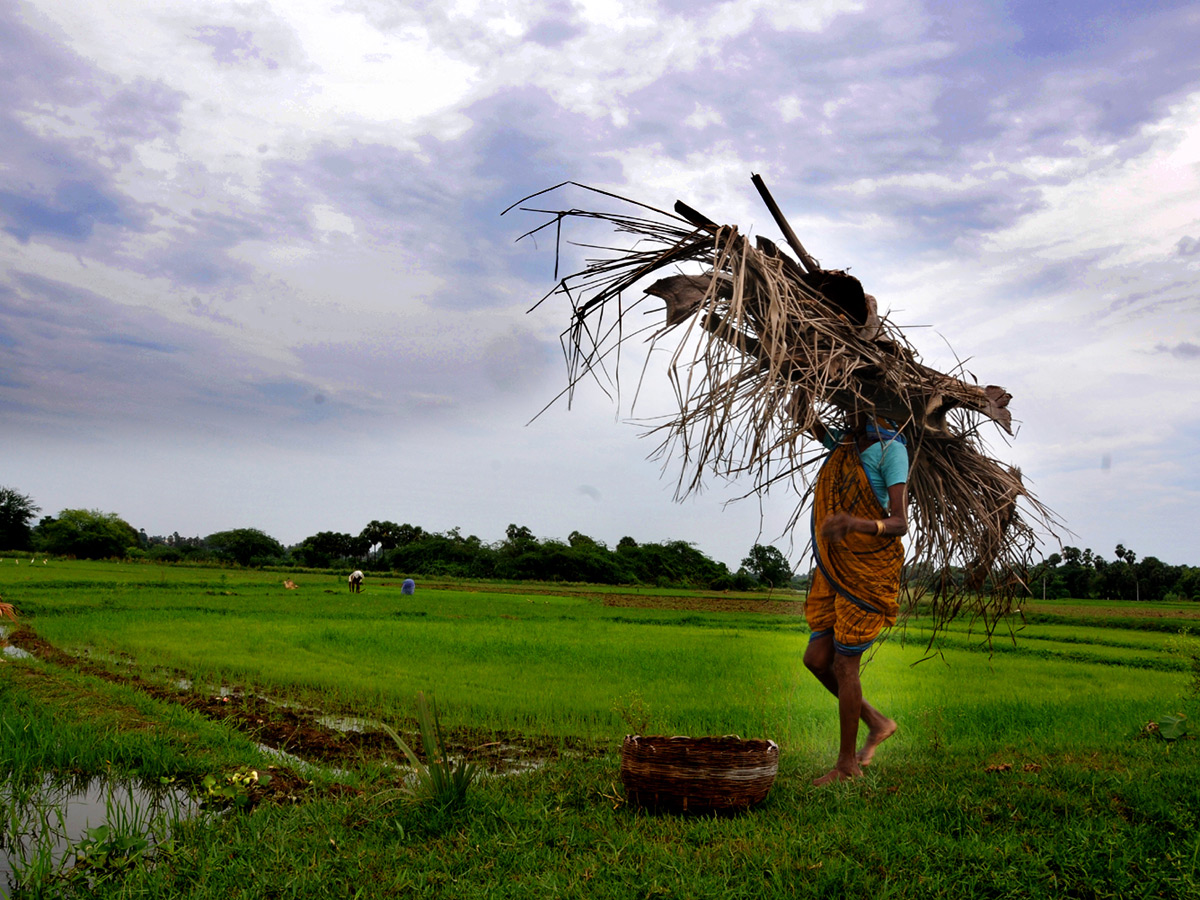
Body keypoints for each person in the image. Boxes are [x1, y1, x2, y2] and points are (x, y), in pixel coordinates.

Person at [803, 412, 909, 785]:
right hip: (836, 566)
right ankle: (878, 722)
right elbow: (806, 419)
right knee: (817, 660)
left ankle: (846, 764)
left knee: (846, 666)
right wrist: (795, 384)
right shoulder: (846, 444)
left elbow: (900, 523)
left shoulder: (891, 450)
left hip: (868, 570)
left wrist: (854, 523)